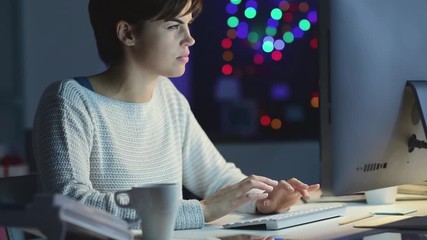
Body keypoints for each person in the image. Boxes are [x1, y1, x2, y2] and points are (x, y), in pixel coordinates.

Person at [32, 0, 320, 230]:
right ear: (127, 33)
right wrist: (202, 210)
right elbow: (70, 204)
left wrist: (263, 200)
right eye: (173, 26)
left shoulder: (168, 98)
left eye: (188, 24)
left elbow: (217, 179)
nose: (190, 39)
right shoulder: (68, 101)